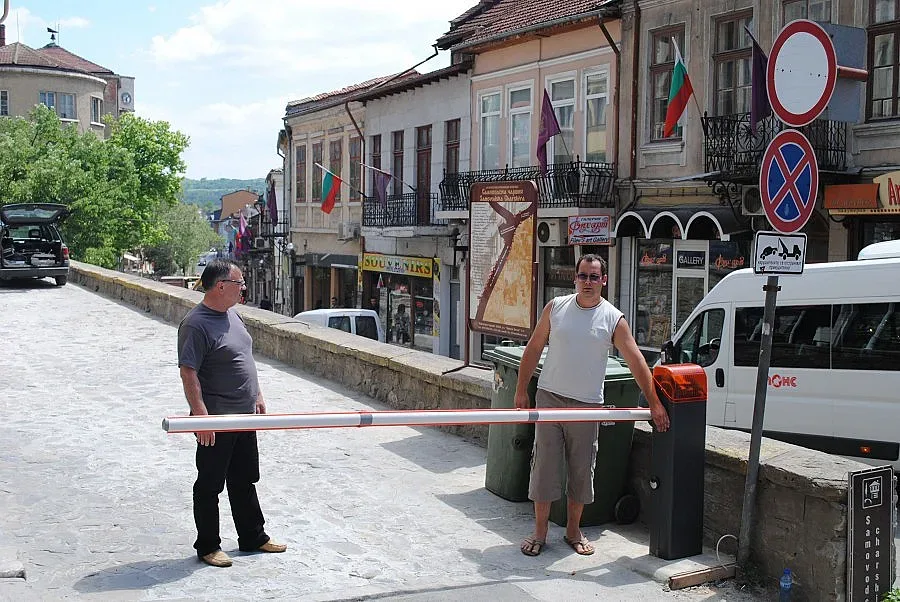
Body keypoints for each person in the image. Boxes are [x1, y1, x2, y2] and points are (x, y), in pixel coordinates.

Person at [513, 254, 669, 558]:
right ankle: (540, 532)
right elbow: (533, 348)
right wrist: (520, 390)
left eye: (593, 277)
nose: (587, 282)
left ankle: (573, 531)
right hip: (550, 398)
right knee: (543, 468)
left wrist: (655, 404)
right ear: (575, 278)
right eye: (583, 276)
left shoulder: (613, 318)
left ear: (604, 281)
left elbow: (637, 361)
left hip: (587, 405)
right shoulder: (556, 308)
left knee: (581, 471)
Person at [177, 259, 287, 568]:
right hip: (218, 417)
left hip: (244, 414)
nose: (244, 289)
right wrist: (201, 416)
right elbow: (189, 372)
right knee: (210, 483)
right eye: (239, 284)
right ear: (220, 286)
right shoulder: (196, 323)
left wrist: (258, 394)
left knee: (244, 478)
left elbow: (244, 357)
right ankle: (208, 545)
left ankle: (253, 536)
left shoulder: (234, 316)